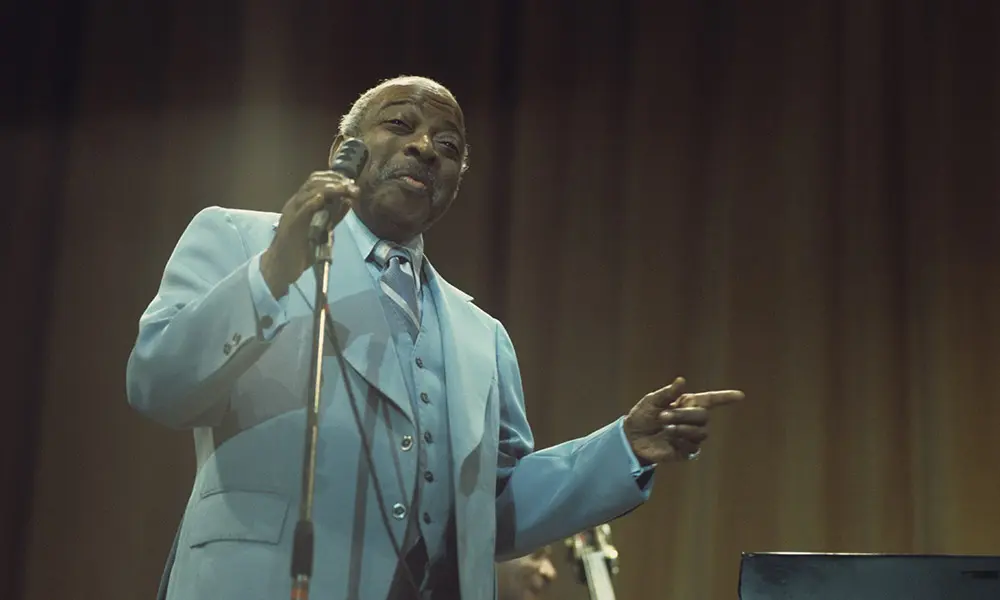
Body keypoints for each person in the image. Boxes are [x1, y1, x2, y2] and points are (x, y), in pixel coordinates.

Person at [126, 74, 745, 600]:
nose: (425, 147)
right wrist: (273, 274)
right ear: (344, 150)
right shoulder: (244, 242)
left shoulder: (482, 335)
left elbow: (492, 510)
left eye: (448, 146)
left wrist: (624, 447)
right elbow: (157, 385)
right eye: (400, 125)